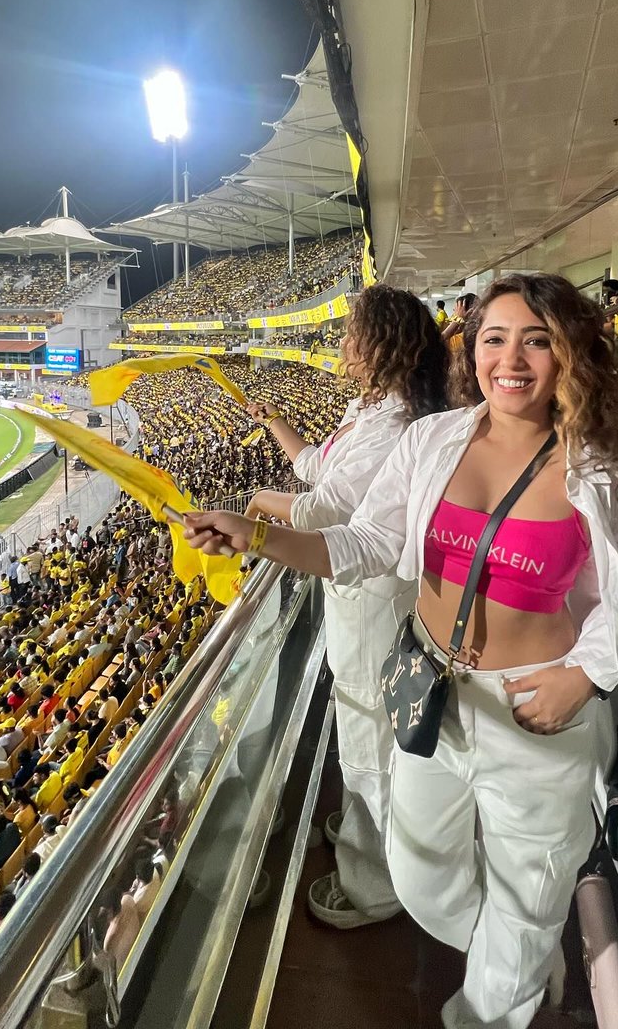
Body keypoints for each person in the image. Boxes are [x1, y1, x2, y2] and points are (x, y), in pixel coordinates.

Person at [184, 273, 618, 1029]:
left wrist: (585, 677)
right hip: (434, 694)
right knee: (419, 874)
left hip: (536, 713)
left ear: (570, 355)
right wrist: (258, 534)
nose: (512, 359)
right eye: (495, 339)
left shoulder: (596, 471)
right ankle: (520, 963)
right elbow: (367, 541)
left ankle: (493, 1000)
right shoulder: (432, 439)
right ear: (471, 352)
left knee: (529, 898)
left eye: (537, 341)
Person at [244, 285, 449, 929]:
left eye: (351, 333)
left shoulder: (395, 427)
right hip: (359, 605)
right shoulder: (379, 413)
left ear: (381, 344)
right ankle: (369, 835)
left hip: (373, 608)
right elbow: (320, 474)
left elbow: (323, 514)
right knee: (366, 734)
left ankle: (376, 884)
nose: (341, 345)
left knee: (369, 745)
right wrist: (274, 422)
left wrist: (252, 505)